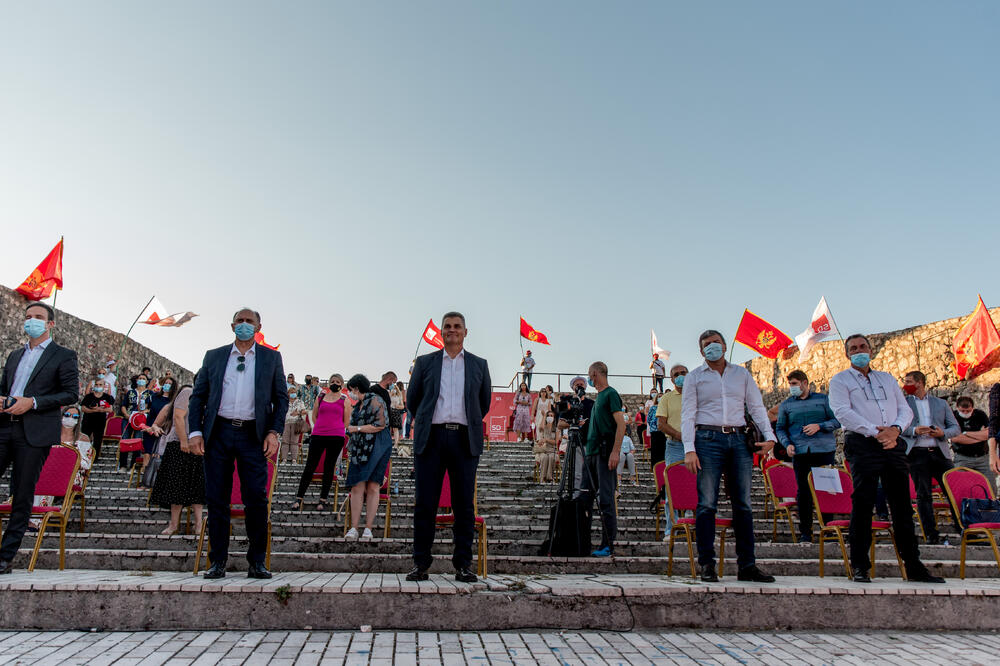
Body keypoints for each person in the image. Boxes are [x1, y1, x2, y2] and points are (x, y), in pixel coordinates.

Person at [829, 334, 943, 583]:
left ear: (871, 351)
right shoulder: (840, 380)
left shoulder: (887, 378)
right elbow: (842, 412)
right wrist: (875, 432)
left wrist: (895, 430)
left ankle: (913, 564)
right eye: (853, 348)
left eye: (863, 346)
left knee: (902, 504)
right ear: (847, 354)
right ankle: (860, 565)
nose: (859, 350)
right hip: (863, 443)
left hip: (893, 443)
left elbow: (904, 409)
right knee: (863, 503)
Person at [187, 308, 288, 580]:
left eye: (249, 321)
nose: (244, 325)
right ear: (232, 326)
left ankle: (257, 562)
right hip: (218, 432)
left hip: (253, 435)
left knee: (256, 497)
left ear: (258, 327)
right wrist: (195, 431)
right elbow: (198, 397)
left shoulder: (271, 358)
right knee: (216, 497)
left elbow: (281, 398)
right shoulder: (214, 356)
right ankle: (217, 561)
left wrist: (274, 432)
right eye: (240, 321)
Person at [681, 330, 776, 583]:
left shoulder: (741, 374)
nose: (712, 347)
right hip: (707, 438)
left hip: (738, 438)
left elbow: (756, 407)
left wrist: (770, 437)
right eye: (707, 344)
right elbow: (688, 413)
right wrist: (689, 448)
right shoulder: (694, 377)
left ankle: (747, 565)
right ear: (701, 351)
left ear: (724, 346)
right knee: (707, 503)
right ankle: (707, 564)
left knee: (743, 503)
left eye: (716, 342)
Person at [405, 311, 491, 583]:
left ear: (465, 332)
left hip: (464, 440)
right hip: (431, 438)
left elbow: (483, 403)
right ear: (441, 332)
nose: (452, 330)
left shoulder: (479, 365)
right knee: (425, 503)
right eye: (447, 326)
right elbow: (413, 399)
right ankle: (421, 563)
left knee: (464, 505)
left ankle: (463, 565)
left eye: (457, 326)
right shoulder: (425, 362)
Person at [0, 302, 79, 574]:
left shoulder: (63, 355)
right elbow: (5, 387)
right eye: (28, 317)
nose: (31, 321)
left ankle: (5, 556)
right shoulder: (14, 355)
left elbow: (71, 393)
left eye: (38, 317)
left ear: (50, 324)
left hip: (34, 432)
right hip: (5, 426)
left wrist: (32, 402)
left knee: (22, 494)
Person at [774, 370, 840, 544]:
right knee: (803, 492)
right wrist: (787, 444)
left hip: (824, 450)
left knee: (827, 489)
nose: (792, 387)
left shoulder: (823, 400)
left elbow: (837, 420)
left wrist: (820, 426)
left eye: (794, 384)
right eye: (790, 384)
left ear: (805, 383)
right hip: (800, 452)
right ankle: (805, 532)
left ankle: (829, 530)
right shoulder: (786, 405)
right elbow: (780, 428)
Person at [901, 370, 959, 545]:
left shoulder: (940, 403)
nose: (905, 385)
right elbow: (897, 427)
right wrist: (914, 430)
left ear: (919, 382)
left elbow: (955, 428)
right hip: (917, 453)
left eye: (909, 381)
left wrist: (942, 433)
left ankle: (963, 528)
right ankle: (931, 534)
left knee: (953, 491)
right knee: (923, 495)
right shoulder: (903, 404)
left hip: (940, 452)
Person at [582, 362, 626, 557]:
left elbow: (621, 425)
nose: (589, 379)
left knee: (606, 500)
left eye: (589, 375)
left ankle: (607, 544)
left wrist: (615, 452)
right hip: (590, 453)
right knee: (584, 498)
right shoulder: (598, 398)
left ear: (594, 374)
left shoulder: (610, 394)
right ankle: (582, 541)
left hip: (604, 453)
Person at [149, 383, 204, 536]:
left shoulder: (206, 397)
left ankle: (199, 524)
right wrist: (183, 441)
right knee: (176, 485)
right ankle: (173, 524)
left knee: (197, 486)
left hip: (198, 444)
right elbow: (178, 417)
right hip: (181, 443)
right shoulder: (188, 392)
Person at [343, 374, 393, 540]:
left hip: (378, 445)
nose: (350, 393)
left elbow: (381, 425)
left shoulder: (376, 400)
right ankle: (354, 528)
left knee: (373, 486)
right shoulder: (358, 405)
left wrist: (357, 429)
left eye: (351, 389)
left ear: (357, 388)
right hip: (359, 448)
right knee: (357, 486)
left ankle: (368, 528)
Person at [293, 374, 349, 511]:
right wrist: (321, 426)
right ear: (329, 383)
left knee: (329, 467)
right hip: (318, 434)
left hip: (336, 436)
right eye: (332, 381)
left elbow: (346, 421)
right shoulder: (321, 396)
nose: (334, 383)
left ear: (342, 384)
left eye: (338, 381)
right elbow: (314, 415)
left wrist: (336, 428)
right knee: (310, 466)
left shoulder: (344, 399)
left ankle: (323, 499)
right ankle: (299, 498)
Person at [31, 404, 92, 529]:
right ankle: (21, 511)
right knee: (35, 474)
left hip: (72, 475)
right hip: (47, 471)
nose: (70, 418)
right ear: (61, 416)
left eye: (75, 416)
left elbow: (86, 464)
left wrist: (65, 461)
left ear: (78, 419)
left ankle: (36, 521)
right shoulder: (51, 436)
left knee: (49, 477)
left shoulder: (83, 439)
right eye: (67, 415)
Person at [952, 395, 995, 495]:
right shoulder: (953, 416)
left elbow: (988, 434)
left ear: (972, 408)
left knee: (991, 487)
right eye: (962, 411)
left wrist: (966, 433)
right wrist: (979, 435)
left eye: (968, 411)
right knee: (961, 487)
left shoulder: (980, 414)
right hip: (963, 458)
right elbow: (955, 438)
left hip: (983, 457)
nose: (965, 413)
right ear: (957, 407)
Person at [140, 377, 175, 487]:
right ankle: (144, 480)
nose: (167, 385)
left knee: (157, 454)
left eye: (170, 383)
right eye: (166, 383)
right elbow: (144, 408)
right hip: (150, 427)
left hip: (163, 430)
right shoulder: (154, 397)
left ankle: (155, 481)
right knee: (147, 452)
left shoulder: (173, 401)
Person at [118, 372, 152, 472]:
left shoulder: (150, 394)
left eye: (143, 378)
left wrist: (146, 411)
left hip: (141, 420)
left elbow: (152, 407)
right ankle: (123, 465)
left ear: (147, 381)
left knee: (138, 440)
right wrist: (126, 415)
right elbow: (123, 405)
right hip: (128, 419)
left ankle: (134, 466)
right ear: (137, 380)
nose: (141, 380)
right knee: (125, 439)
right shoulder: (130, 392)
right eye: (140, 378)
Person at [80, 377, 115, 458]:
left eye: (100, 385)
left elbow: (110, 409)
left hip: (100, 421)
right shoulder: (88, 397)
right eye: (96, 384)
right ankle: (82, 456)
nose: (98, 386)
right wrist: (93, 410)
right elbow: (83, 408)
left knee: (98, 440)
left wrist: (98, 409)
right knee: (84, 438)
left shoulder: (107, 397)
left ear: (103, 386)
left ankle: (95, 458)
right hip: (87, 421)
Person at [280, 386, 308, 464]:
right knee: (285, 441)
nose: (293, 394)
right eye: (291, 392)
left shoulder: (300, 402)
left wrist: (297, 413)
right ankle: (284, 459)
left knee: (294, 442)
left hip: (296, 423)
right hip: (286, 423)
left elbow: (305, 411)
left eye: (294, 392)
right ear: (288, 393)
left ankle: (294, 460)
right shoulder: (285, 401)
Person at [534, 410, 558, 483]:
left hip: (552, 450)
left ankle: (549, 478)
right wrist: (544, 416)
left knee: (551, 457)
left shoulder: (556, 429)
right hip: (543, 450)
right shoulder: (543, 427)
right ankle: (543, 478)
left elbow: (556, 442)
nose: (550, 417)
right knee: (544, 457)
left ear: (554, 418)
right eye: (548, 416)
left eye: (551, 416)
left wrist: (546, 440)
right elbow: (540, 428)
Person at [389, 381, 406, 448]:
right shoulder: (389, 395)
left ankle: (396, 444)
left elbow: (402, 406)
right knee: (389, 428)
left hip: (396, 412)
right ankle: (388, 443)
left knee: (395, 429)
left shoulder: (399, 397)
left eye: (395, 389)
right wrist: (391, 394)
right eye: (393, 389)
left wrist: (398, 406)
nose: (394, 390)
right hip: (389, 412)